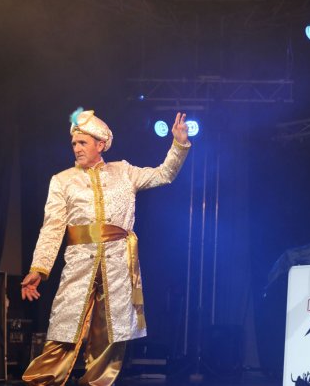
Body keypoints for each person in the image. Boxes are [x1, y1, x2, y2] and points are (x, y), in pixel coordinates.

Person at [20, 108, 191, 386]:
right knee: (64, 332)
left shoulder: (124, 172)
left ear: (100, 145)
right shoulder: (62, 181)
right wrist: (38, 269)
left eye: (82, 143)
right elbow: (52, 228)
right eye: (74, 143)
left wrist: (178, 144)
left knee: (110, 338)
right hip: (80, 264)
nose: (76, 148)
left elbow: (164, 174)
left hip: (117, 267)